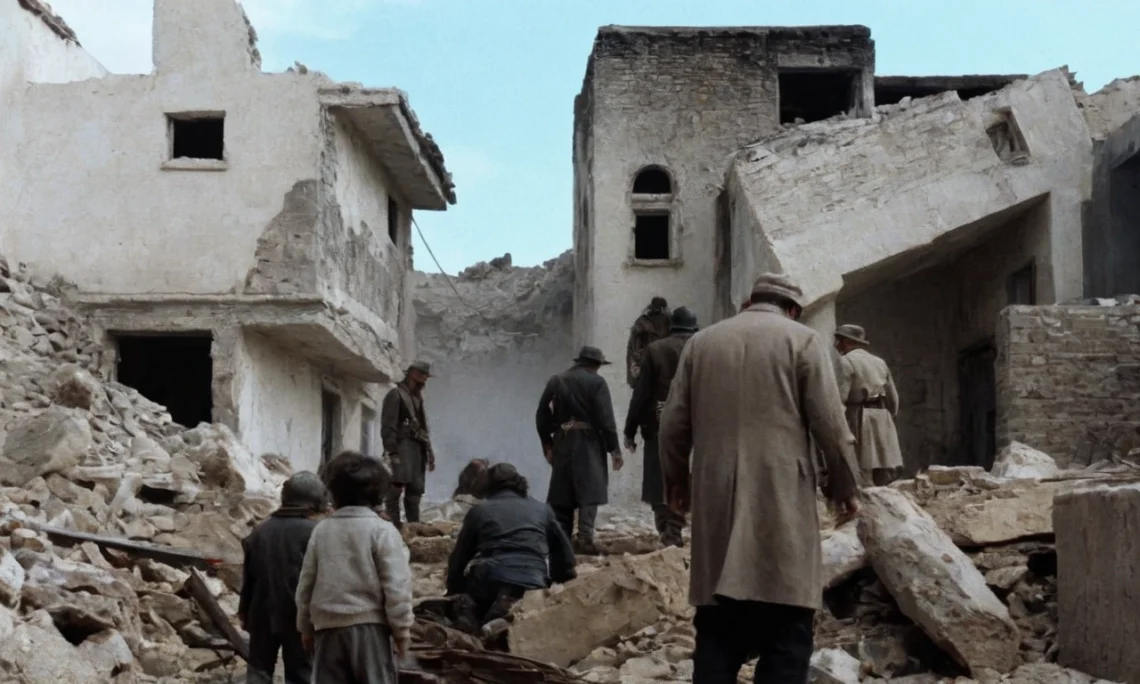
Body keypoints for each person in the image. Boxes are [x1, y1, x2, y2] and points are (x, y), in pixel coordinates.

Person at [658, 272, 862, 684]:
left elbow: (672, 426)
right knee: (786, 631)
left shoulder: (702, 343)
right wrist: (844, 488)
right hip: (782, 498)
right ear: (793, 309)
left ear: (750, 301)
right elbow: (831, 426)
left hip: (716, 499)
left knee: (717, 633)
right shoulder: (802, 340)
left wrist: (677, 483)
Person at [296, 451, 413, 684]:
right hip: (370, 631)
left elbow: (306, 584)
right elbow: (397, 586)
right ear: (378, 494)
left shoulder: (321, 531)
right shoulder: (382, 531)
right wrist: (402, 631)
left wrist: (305, 627)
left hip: (327, 629)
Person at [445, 463, 577, 633]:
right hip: (533, 581)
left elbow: (458, 560)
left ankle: (478, 619)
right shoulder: (543, 510)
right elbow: (565, 556)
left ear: (488, 485)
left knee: (468, 602)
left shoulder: (480, 511)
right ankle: (505, 615)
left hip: (489, 580)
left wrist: (453, 591)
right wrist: (559, 582)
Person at [239, 472, 328, 684]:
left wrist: (244, 611)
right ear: (315, 499)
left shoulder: (260, 531)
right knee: (301, 674)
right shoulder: (316, 533)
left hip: (261, 614)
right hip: (299, 618)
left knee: (259, 673)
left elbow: (249, 578)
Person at [535, 345, 623, 554]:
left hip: (563, 440)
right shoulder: (597, 382)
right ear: (596, 365)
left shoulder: (557, 380)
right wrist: (614, 449)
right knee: (589, 489)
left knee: (562, 492)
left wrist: (547, 443)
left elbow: (541, 414)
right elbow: (606, 420)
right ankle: (584, 537)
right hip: (589, 441)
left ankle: (561, 541)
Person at [623, 305, 699, 548]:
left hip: (659, 422)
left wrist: (630, 429)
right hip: (697, 422)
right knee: (686, 473)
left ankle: (665, 526)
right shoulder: (703, 347)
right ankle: (674, 526)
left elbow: (641, 393)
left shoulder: (656, 350)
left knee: (657, 477)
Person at [835, 324, 903, 486]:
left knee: (862, 468)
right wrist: (890, 416)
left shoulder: (846, 362)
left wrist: (838, 424)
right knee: (884, 470)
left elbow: (840, 397)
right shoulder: (879, 362)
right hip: (882, 415)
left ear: (846, 341)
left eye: (839, 340)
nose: (836, 345)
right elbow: (893, 397)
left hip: (860, 417)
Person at [381, 360, 436, 527]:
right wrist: (392, 452)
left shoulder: (417, 398)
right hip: (402, 447)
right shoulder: (396, 394)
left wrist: (429, 451)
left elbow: (423, 428)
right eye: (422, 375)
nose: (424, 380)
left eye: (425, 377)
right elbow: (388, 426)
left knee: (415, 492)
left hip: (417, 448)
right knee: (395, 489)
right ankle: (394, 527)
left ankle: (414, 527)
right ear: (413, 374)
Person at [625, 296, 671, 388]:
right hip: (648, 368)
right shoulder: (641, 325)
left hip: (661, 370)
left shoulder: (669, 323)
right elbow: (634, 351)